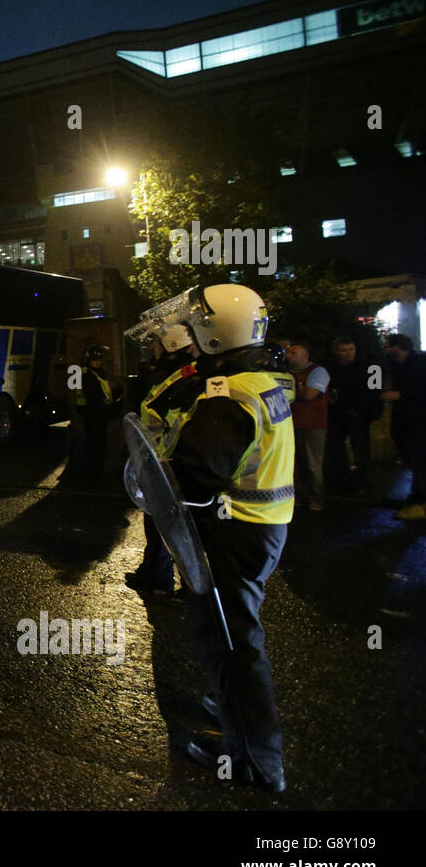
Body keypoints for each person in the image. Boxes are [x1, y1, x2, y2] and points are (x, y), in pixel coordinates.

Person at [132, 284, 294, 793]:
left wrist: (161, 468)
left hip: (234, 531)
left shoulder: (230, 396)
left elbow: (197, 475)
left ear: (212, 329)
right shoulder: (260, 378)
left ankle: (253, 759)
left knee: (233, 646)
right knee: (236, 637)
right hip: (260, 528)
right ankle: (231, 709)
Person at [125, 333, 193, 595]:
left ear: (170, 347)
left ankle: (163, 579)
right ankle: (154, 573)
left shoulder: (173, 376)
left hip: (165, 456)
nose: (152, 348)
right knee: (160, 523)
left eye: (156, 344)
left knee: (162, 524)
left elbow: (152, 411)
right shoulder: (182, 373)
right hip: (166, 455)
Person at [325, 336, 380, 494]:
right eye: (344, 350)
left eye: (351, 349)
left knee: (361, 450)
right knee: (336, 448)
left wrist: (363, 409)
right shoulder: (331, 369)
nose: (348, 353)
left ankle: (362, 482)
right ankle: (342, 480)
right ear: (336, 352)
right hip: (337, 414)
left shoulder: (367, 367)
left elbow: (374, 391)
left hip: (359, 415)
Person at [382, 334, 426, 518]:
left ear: (397, 347)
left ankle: (420, 503)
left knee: (420, 461)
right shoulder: (391, 364)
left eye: (387, 346)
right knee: (413, 460)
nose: (384, 349)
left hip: (420, 420)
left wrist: (400, 394)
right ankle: (416, 498)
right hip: (403, 420)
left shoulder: (420, 363)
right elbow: (374, 379)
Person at [285, 341, 329, 511]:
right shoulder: (285, 372)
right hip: (289, 423)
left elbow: (309, 395)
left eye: (293, 353)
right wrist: (300, 387)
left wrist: (298, 388)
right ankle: (296, 496)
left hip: (312, 424)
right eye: (288, 353)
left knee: (312, 463)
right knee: (291, 463)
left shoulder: (318, 371)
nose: (288, 356)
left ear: (305, 356)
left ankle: (315, 498)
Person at [73, 343, 122, 478]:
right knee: (95, 445)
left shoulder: (95, 374)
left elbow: (103, 393)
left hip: (96, 415)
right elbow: (94, 398)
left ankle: (94, 471)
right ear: (89, 360)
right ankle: (93, 473)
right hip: (93, 416)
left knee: (97, 444)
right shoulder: (88, 376)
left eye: (99, 359)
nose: (98, 362)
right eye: (95, 359)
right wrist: (111, 408)